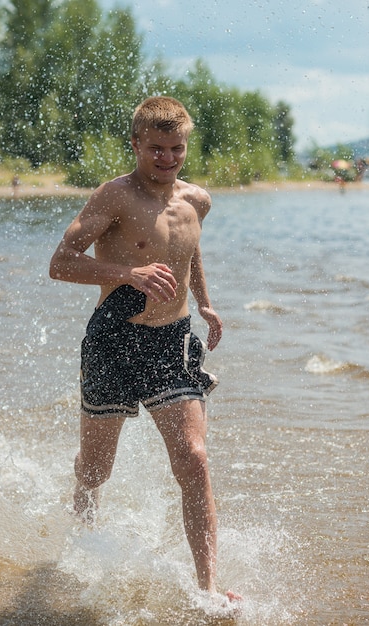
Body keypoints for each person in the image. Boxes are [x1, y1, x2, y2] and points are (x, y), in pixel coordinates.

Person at [50, 96, 240, 601]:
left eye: (176, 149)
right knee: (96, 469)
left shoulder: (197, 199)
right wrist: (125, 273)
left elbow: (188, 246)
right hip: (114, 338)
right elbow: (61, 261)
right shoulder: (114, 196)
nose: (167, 159)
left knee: (194, 459)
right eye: (156, 149)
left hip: (172, 339)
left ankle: (209, 589)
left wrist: (204, 303)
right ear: (136, 144)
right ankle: (81, 529)